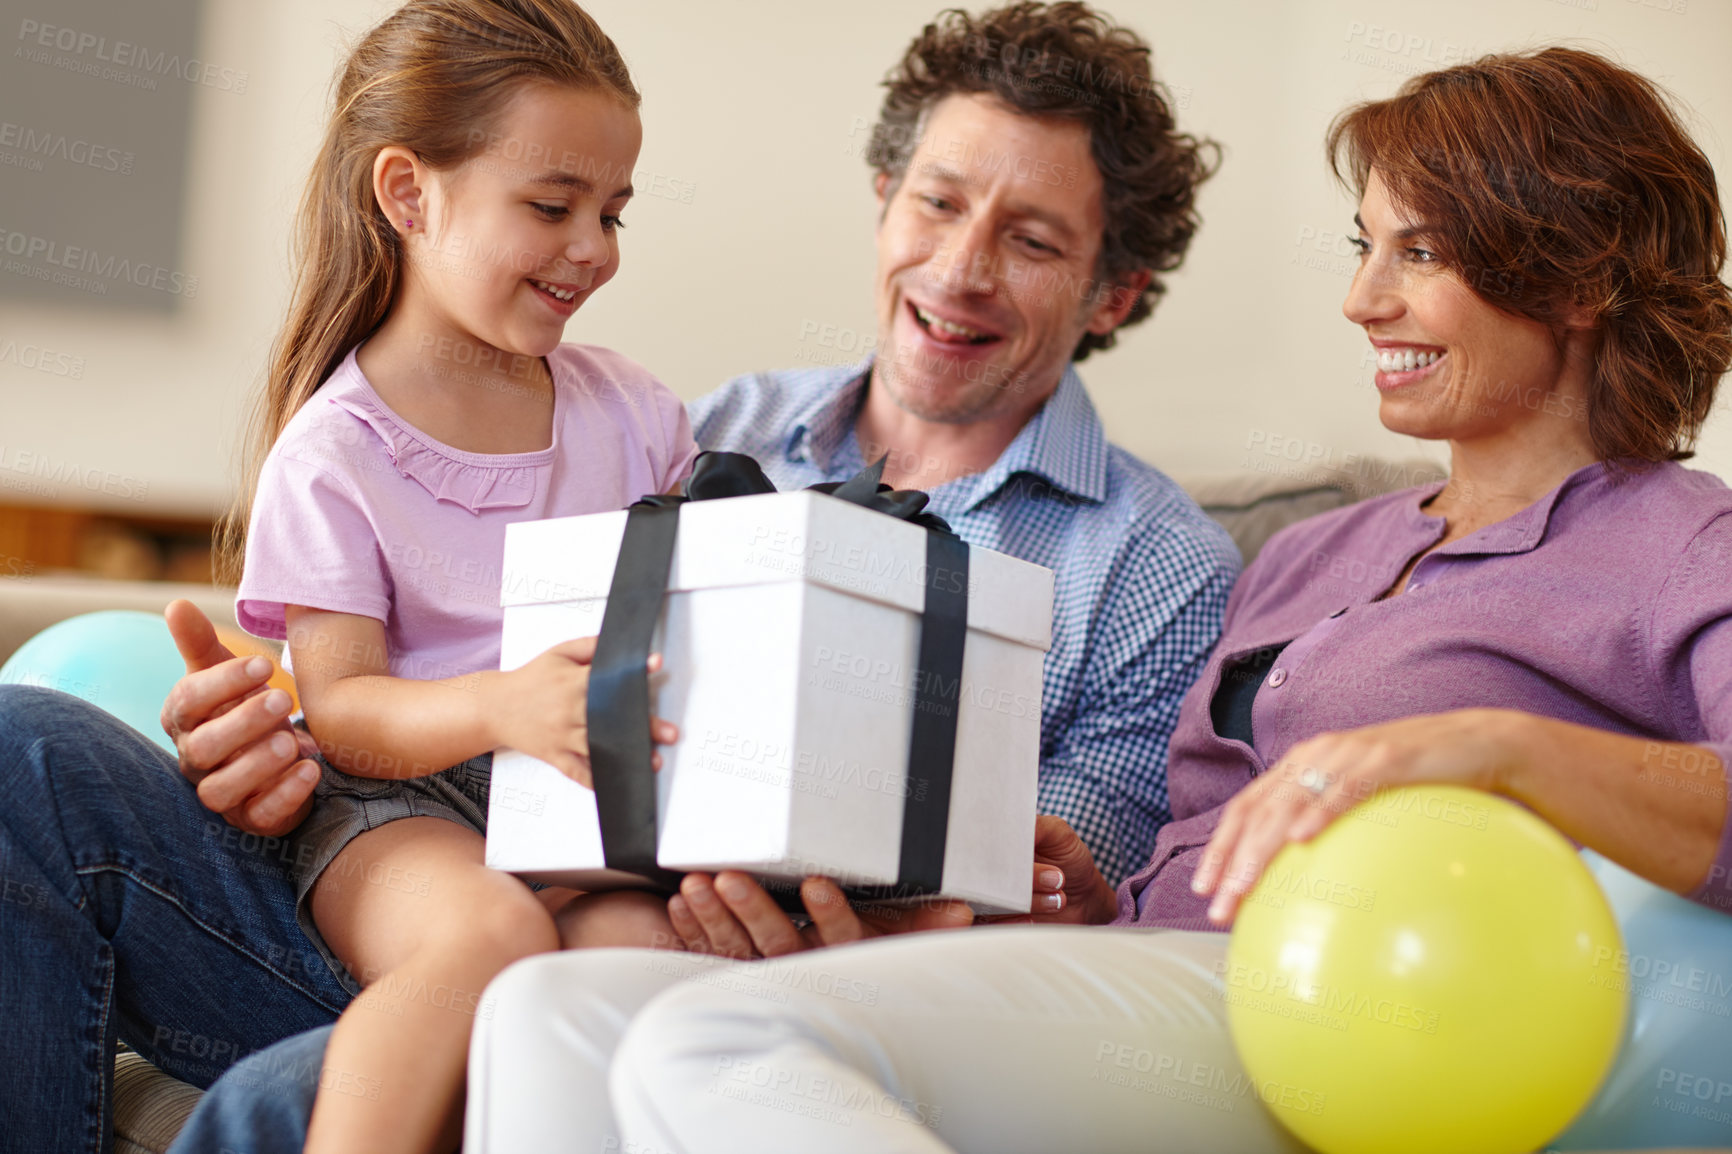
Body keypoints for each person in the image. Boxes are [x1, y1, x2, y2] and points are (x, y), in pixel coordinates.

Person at [452, 45, 1732, 1154]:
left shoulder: (1684, 543)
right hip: (1169, 973)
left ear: (1576, 277)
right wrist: (1089, 886)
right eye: (1365, 247)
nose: (1362, 298)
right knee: (545, 1011)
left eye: (1422, 252)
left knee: (724, 1040)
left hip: (1356, 1019)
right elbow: (1194, 841)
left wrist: (1495, 751)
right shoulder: (1313, 556)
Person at [0, 2, 1224, 1149]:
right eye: (939, 202)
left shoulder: (1148, 565)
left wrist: (951, 890)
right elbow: (370, 687)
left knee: (347, 1066)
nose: (959, 267)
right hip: (429, 841)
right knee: (35, 747)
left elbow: (1075, 886)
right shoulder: (703, 418)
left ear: (1112, 287)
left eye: (1030, 239)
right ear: (883, 200)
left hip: (685, 919)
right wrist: (271, 730)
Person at [225, 1, 704, 1151]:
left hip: (587, 810)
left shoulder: (632, 412)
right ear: (409, 195)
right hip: (399, 805)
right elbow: (339, 707)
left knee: (641, 953)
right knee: (486, 934)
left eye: (611, 211)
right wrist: (500, 705)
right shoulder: (334, 451)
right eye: (551, 207)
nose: (593, 246)